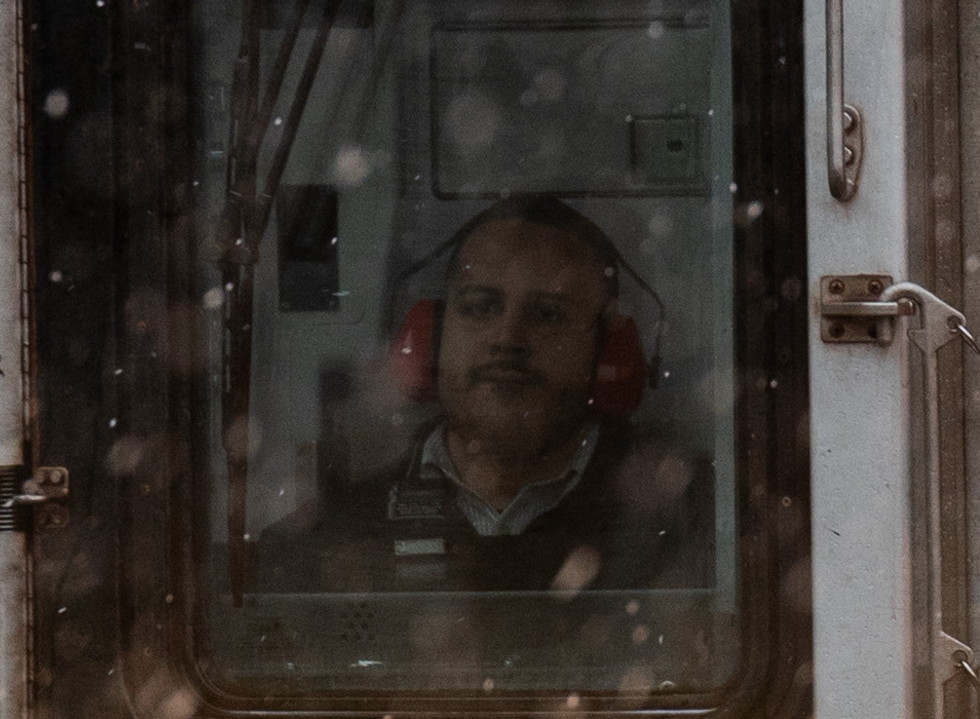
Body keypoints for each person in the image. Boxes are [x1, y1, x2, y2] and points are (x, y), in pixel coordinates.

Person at [274, 195, 713, 598]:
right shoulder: (341, 531)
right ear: (430, 339)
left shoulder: (693, 517)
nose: (508, 338)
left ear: (607, 353)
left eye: (547, 314)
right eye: (481, 306)